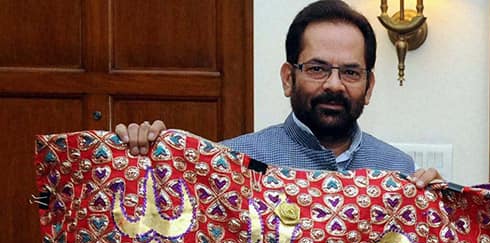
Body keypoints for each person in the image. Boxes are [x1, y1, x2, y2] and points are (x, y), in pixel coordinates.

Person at [117, 0, 439, 187]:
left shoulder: (399, 171)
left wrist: (442, 212)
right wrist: (143, 163)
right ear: (288, 78)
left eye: (351, 72)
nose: (334, 85)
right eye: (317, 68)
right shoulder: (230, 162)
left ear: (368, 87)